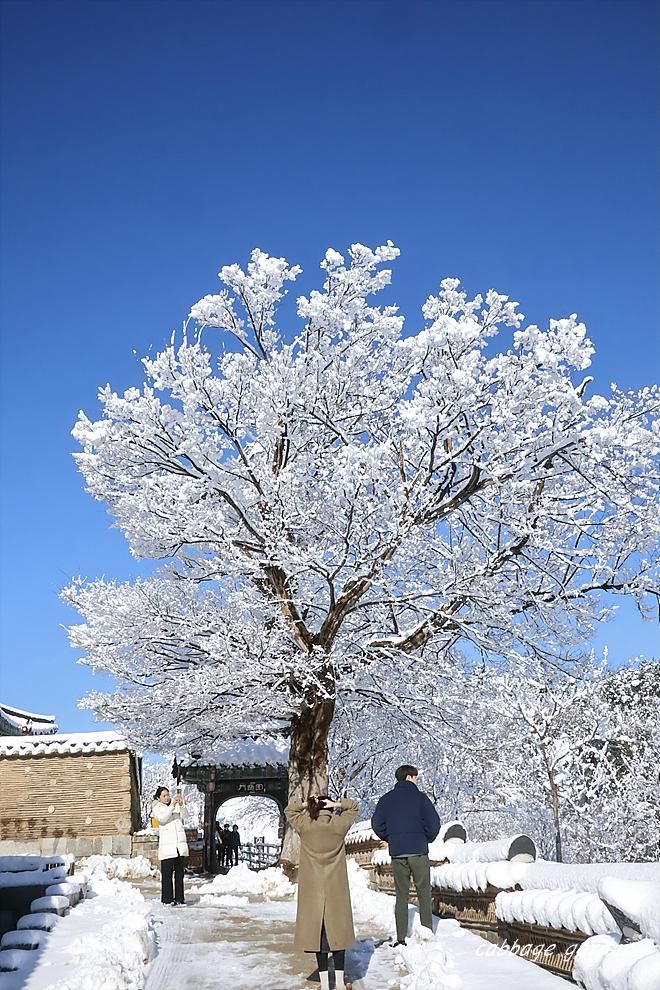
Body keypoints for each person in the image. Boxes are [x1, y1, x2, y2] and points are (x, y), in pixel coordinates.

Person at [285, 793, 358, 990]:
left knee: (319, 938)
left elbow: (289, 811)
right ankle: (341, 984)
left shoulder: (306, 826)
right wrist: (336, 803)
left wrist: (305, 803)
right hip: (336, 888)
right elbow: (354, 808)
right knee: (338, 935)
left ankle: (325, 985)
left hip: (313, 889)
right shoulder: (339, 825)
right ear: (330, 807)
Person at [371, 764, 440, 946]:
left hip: (398, 852)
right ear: (410, 777)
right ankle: (426, 934)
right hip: (418, 850)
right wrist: (427, 838)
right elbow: (434, 823)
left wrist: (391, 837)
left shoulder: (386, 799)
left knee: (401, 895)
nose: (416, 779)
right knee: (423, 892)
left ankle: (401, 938)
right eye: (415, 776)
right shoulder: (421, 798)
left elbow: (376, 824)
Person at [152, 785, 189, 905]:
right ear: (159, 798)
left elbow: (185, 816)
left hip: (179, 846)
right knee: (167, 877)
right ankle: (167, 900)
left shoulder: (175, 806)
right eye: (164, 795)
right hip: (167, 848)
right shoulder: (157, 808)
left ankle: (179, 899)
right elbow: (162, 819)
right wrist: (172, 806)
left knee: (179, 876)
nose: (167, 797)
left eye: (168, 795)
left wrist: (182, 805)